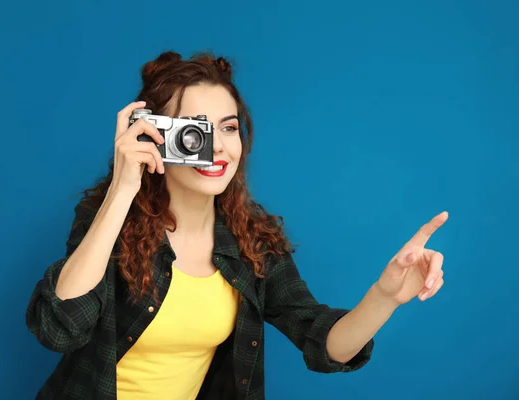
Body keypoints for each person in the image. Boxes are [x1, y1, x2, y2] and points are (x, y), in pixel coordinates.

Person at [25, 50, 448, 400]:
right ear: (156, 135)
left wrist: (385, 297)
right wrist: (122, 190)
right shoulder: (109, 219)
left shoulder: (253, 242)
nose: (216, 148)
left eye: (228, 128)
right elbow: (57, 329)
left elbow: (325, 346)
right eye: (195, 131)